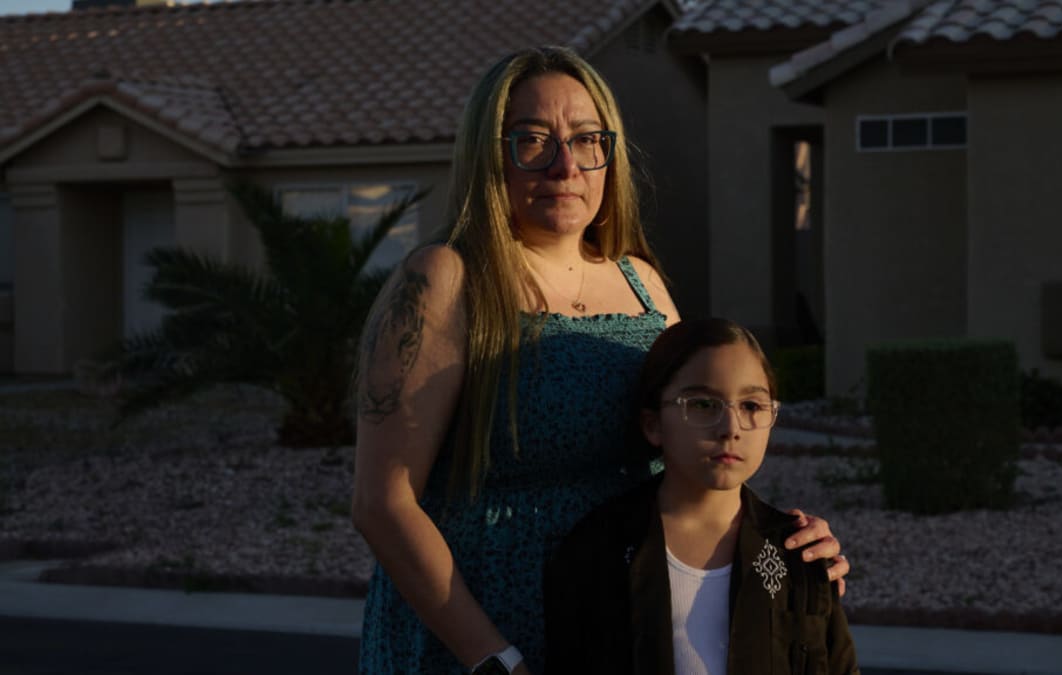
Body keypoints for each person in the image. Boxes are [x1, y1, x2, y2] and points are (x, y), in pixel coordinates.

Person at [351, 46, 849, 675]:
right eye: (532, 141)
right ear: (487, 154)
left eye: (587, 140)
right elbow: (382, 501)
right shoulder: (445, 280)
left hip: (621, 624)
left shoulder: (642, 282)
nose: (565, 166)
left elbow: (698, 445)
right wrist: (495, 658)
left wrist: (783, 540)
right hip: (479, 629)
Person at [544, 318, 859, 675]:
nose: (730, 429)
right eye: (703, 405)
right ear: (653, 424)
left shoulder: (798, 551)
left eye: (752, 406)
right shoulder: (599, 550)